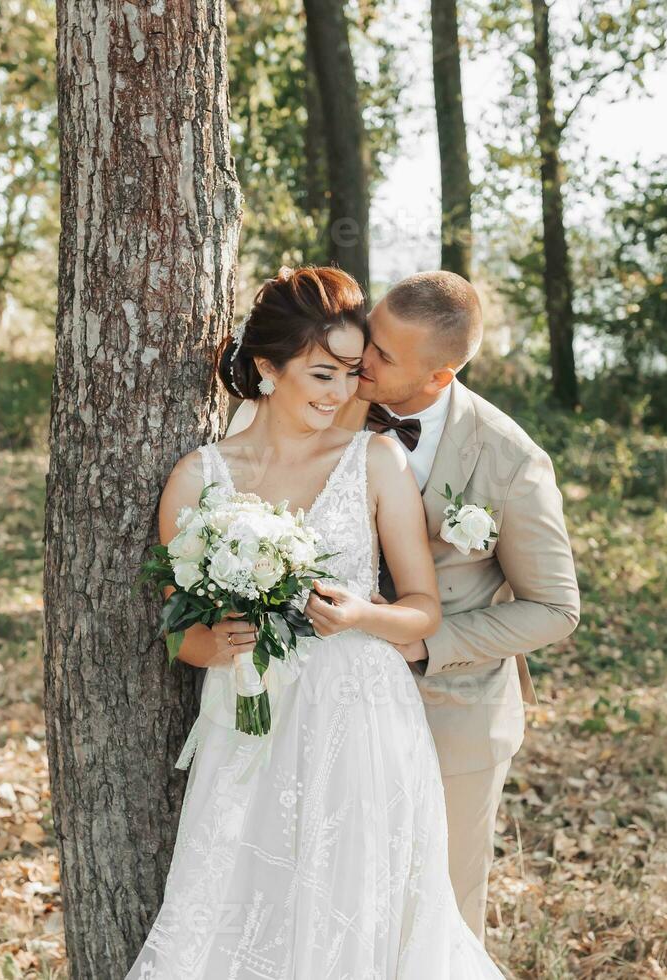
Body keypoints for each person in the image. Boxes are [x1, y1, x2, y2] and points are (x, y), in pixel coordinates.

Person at [126, 266, 505, 978]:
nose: (341, 395)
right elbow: (181, 635)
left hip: (361, 720)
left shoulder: (375, 460)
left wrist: (363, 614)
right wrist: (217, 642)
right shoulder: (197, 478)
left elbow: (422, 608)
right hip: (251, 723)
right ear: (268, 368)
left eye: (352, 374)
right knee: (248, 903)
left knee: (356, 909)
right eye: (323, 374)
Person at [228, 270, 581, 939]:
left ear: (438, 377)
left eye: (384, 356)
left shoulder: (510, 461)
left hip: (452, 717)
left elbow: (555, 607)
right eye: (370, 334)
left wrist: (426, 641)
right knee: (334, 909)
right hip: (323, 710)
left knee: (435, 921)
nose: (361, 358)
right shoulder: (328, 398)